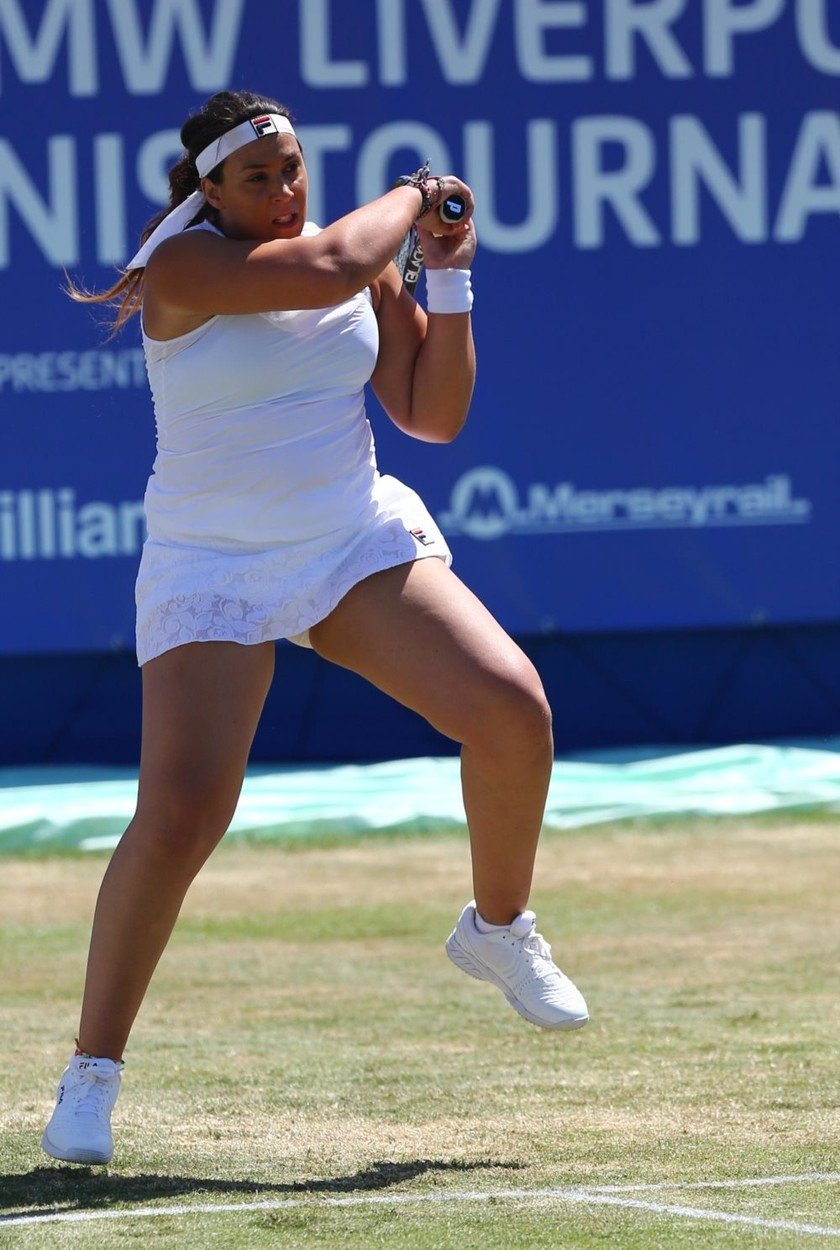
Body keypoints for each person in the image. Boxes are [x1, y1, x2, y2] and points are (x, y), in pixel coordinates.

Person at [42, 90, 588, 1167]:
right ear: (208, 191)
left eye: (295, 170)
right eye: (261, 178)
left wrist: (452, 268)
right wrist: (417, 190)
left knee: (513, 709)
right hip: (211, 561)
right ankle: (91, 1072)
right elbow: (335, 264)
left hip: (347, 545)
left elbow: (431, 414)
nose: (288, 192)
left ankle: (498, 926)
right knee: (186, 808)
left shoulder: (356, 257)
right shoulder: (186, 268)